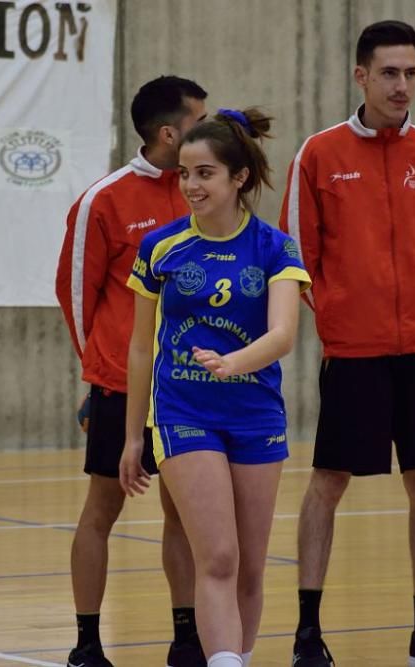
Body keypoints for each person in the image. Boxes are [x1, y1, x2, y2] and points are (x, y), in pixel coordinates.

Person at [279, 20, 415, 667]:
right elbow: (297, 257)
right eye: (390, 72)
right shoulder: (319, 154)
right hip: (356, 353)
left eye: (411, 72)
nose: (402, 85)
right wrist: (341, 317)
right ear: (361, 75)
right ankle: (307, 633)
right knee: (328, 481)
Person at [121, 107, 311, 667]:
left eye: (204, 173)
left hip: (256, 416)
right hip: (184, 414)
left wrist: (233, 362)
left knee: (251, 566)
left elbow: (282, 334)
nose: (190, 185)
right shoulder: (161, 247)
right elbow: (138, 346)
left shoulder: (276, 248)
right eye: (183, 173)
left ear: (238, 178)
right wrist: (135, 437)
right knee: (220, 558)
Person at [55, 75, 209, 667]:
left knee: (184, 513)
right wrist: (101, 376)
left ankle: (186, 638)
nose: (211, 126)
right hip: (123, 386)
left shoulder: (205, 188)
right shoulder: (105, 200)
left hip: (189, 388)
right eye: (200, 118)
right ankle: (87, 643)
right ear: (170, 133)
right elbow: (75, 295)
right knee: (102, 510)